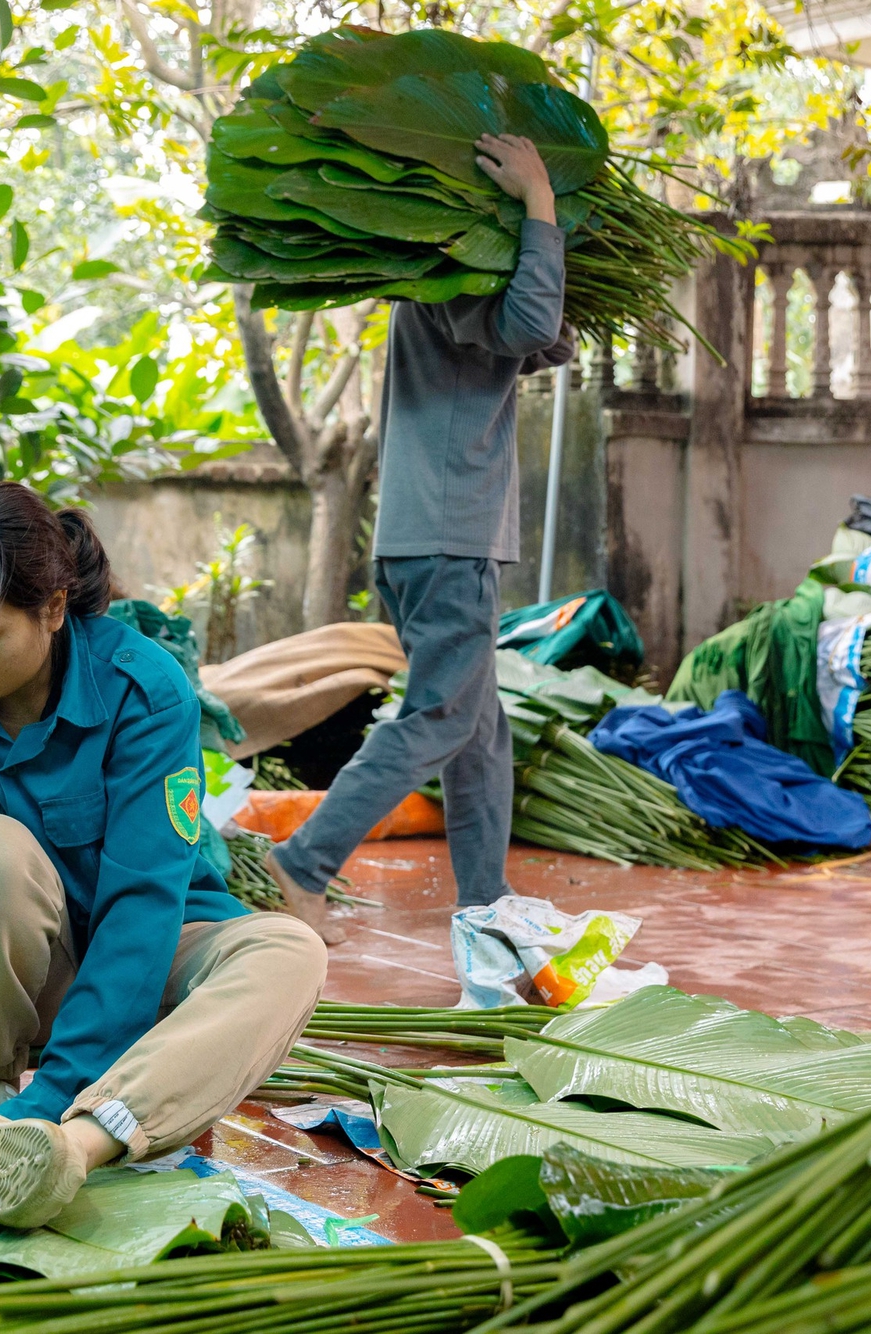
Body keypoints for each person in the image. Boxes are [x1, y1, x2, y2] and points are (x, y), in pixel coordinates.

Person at [0, 477, 326, 1229]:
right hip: (24, 989)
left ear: (52, 611)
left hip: (151, 969)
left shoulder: (142, 691)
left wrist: (51, 1101)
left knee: (288, 950)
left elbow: (141, 908)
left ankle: (75, 1145)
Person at [267, 132, 571, 938]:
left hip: (425, 539)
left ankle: (483, 900)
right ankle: (301, 863)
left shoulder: (438, 282)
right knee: (441, 719)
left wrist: (558, 289)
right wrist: (541, 202)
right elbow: (533, 319)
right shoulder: (453, 271)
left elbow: (535, 339)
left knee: (479, 730)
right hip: (449, 540)